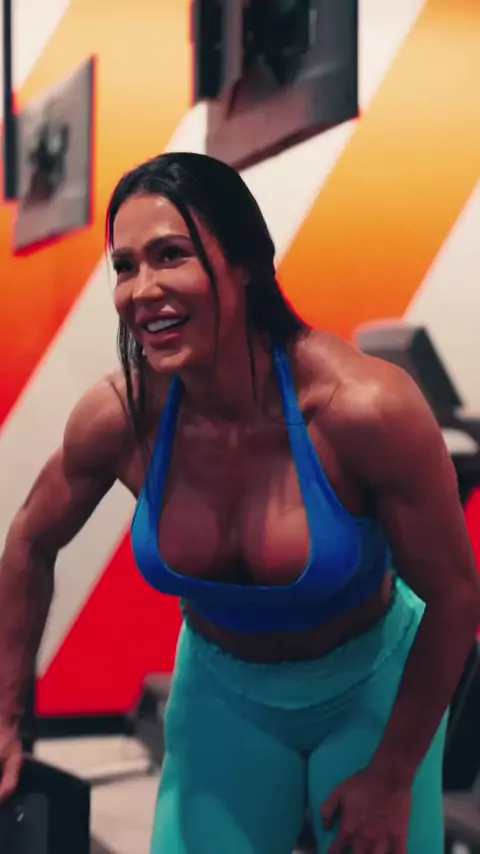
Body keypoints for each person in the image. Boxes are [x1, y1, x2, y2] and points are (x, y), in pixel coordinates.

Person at [0, 152, 478, 854]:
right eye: (125, 266)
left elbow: (456, 594)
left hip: (370, 687)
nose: (143, 289)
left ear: (248, 261)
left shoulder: (361, 408)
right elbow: (29, 542)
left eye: (172, 255)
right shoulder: (121, 417)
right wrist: (6, 717)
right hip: (223, 692)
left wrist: (393, 773)